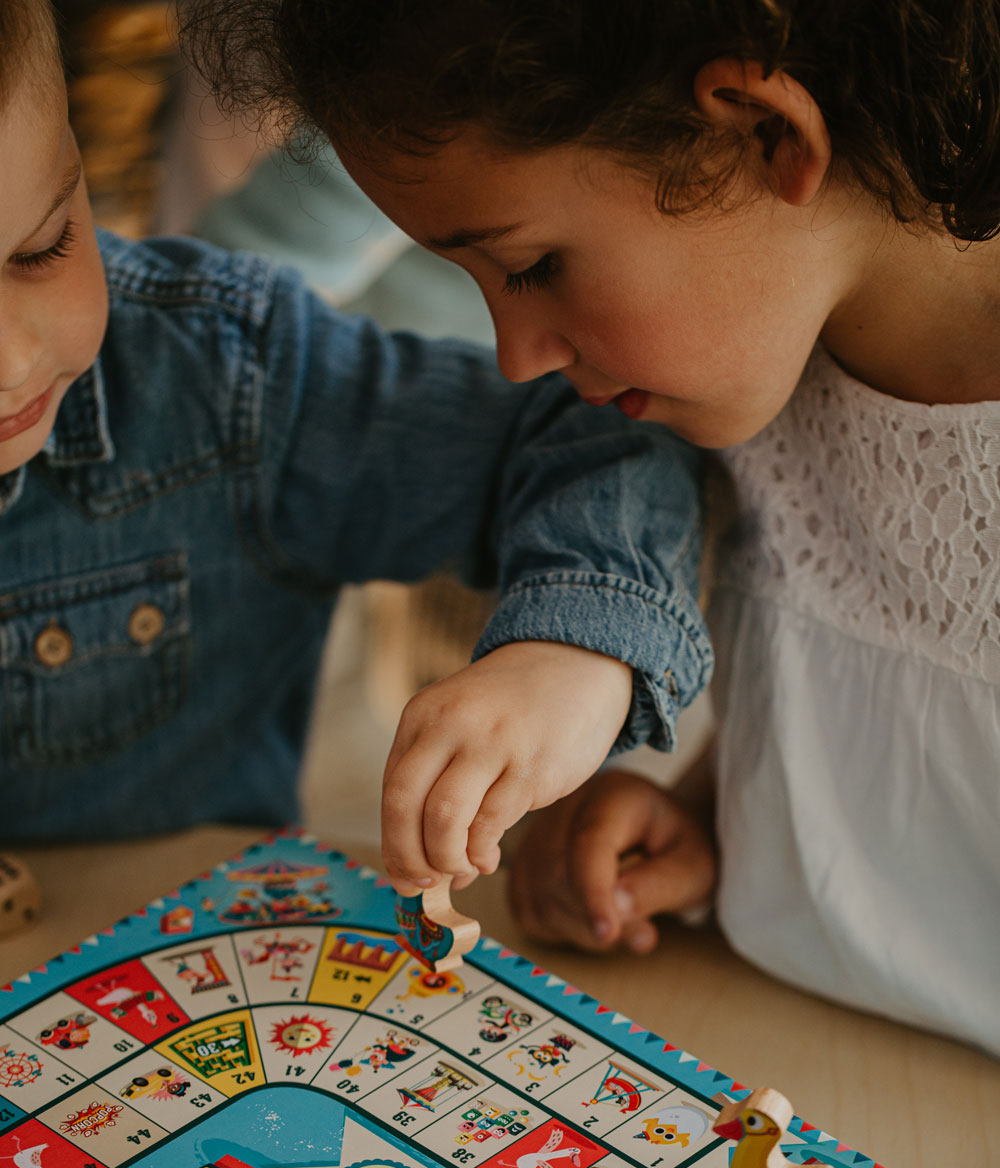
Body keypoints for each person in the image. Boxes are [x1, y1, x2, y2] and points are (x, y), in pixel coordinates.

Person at [182, 0, 1000, 1049]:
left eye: (531, 267)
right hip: (791, 1047)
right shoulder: (756, 360)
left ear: (760, 136)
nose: (514, 358)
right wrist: (725, 816)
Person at [0, 0, 710, 843]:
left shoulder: (212, 379)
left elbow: (591, 439)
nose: (13, 364)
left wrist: (574, 651)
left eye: (41, 248)